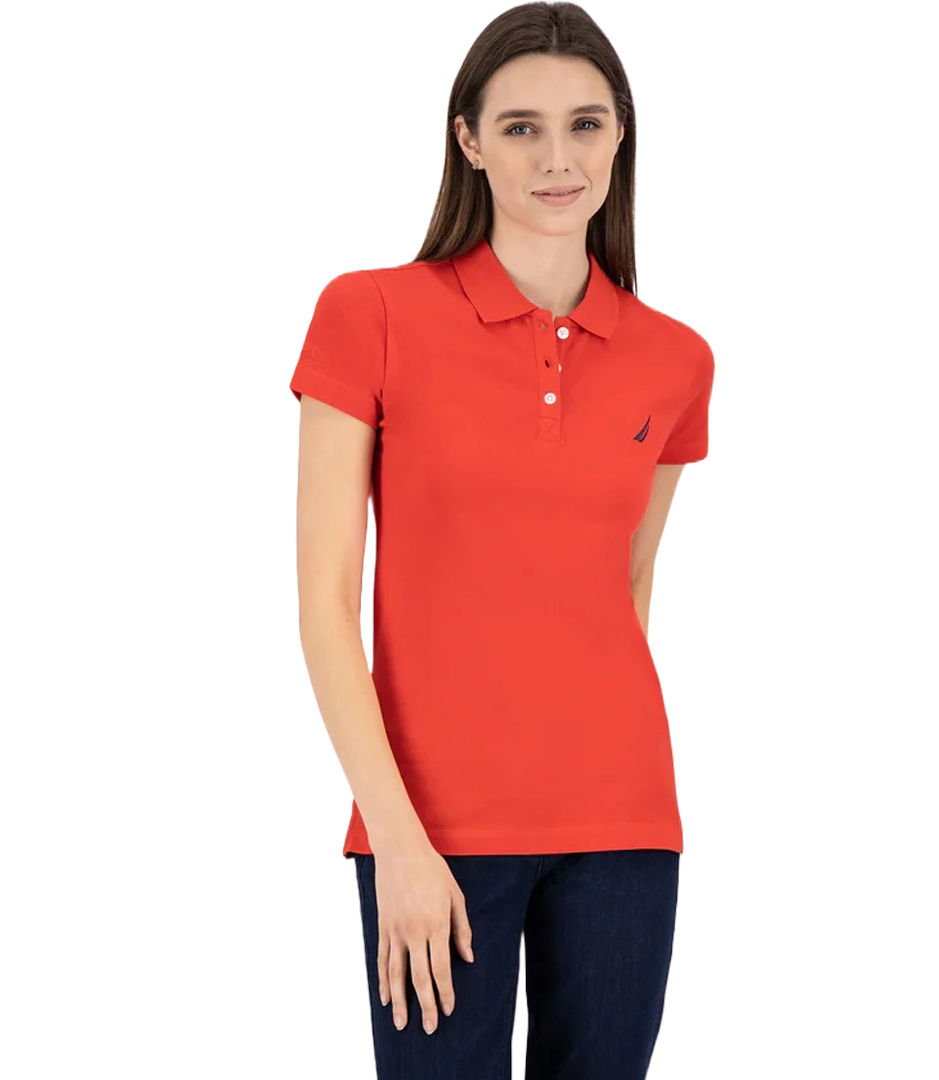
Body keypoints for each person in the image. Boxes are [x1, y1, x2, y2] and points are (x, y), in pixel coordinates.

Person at [289, 3, 715, 1077]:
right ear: (469, 141)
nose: (557, 158)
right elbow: (326, 605)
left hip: (623, 828)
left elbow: (629, 584)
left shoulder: (677, 360)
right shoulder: (370, 313)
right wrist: (395, 836)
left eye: (585, 124)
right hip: (432, 826)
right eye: (521, 127)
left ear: (620, 138)